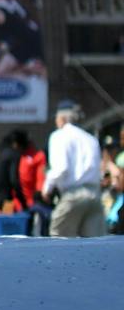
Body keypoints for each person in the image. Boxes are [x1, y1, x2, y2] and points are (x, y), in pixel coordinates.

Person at [45, 101, 104, 237]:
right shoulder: (90, 138)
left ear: (62, 118)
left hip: (74, 195)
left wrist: (47, 188)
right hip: (94, 195)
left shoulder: (59, 136)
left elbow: (61, 168)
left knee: (59, 237)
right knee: (94, 244)